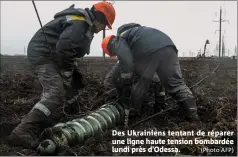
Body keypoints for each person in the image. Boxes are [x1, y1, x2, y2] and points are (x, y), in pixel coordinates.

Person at [8, 2, 116, 149]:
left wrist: (72, 74)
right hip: (44, 54)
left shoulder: (84, 23)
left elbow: (69, 50)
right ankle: (23, 131)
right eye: (105, 25)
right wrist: (66, 73)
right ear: (100, 19)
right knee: (56, 92)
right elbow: (65, 47)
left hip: (55, 55)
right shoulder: (80, 24)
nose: (103, 28)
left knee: (76, 82)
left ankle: (69, 113)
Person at [101, 23, 199, 122]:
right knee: (176, 84)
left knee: (140, 84)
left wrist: (126, 84)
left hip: (148, 51)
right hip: (169, 47)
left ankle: (133, 114)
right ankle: (193, 115)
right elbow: (157, 79)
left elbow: (126, 62)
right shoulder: (139, 33)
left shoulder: (119, 40)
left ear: (111, 47)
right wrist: (159, 101)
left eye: (115, 53)